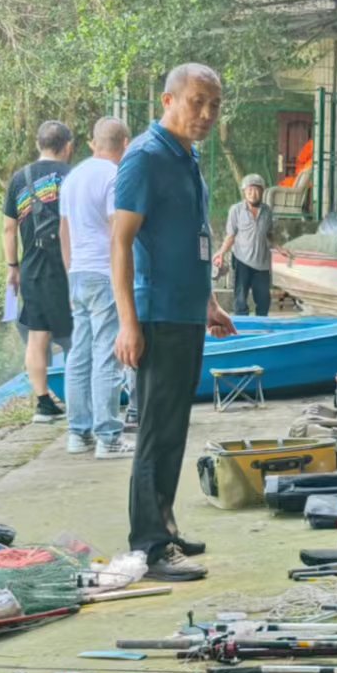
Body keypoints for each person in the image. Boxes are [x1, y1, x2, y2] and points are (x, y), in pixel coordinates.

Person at [111, 63, 236, 584]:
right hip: (155, 314)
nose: (205, 114)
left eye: (214, 105)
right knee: (156, 432)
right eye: (195, 102)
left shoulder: (187, 158)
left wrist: (207, 301)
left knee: (175, 429)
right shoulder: (144, 157)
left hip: (186, 311)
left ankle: (166, 523)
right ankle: (150, 544)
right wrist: (127, 323)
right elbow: (119, 242)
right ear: (168, 100)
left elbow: (190, 240)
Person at [59, 116, 132, 458]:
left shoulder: (73, 177)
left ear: (93, 143)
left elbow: (64, 230)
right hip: (105, 274)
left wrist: (70, 269)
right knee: (107, 354)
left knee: (78, 354)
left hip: (77, 274)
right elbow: (119, 231)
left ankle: (78, 434)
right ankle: (108, 438)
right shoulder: (114, 176)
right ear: (126, 144)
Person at [5, 121, 75, 423]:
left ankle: (43, 403)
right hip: (68, 268)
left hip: (33, 268)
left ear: (38, 144)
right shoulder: (73, 177)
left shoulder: (20, 178)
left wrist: (12, 267)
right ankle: (80, 402)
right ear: (68, 146)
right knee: (75, 338)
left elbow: (9, 228)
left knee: (38, 336)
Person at [215, 172, 274, 317]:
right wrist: (221, 252)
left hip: (263, 263)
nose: (253, 194)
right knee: (240, 299)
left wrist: (280, 248)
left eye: (256, 190)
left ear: (262, 192)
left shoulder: (267, 211)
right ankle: (242, 329)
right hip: (242, 260)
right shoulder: (236, 210)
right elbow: (231, 235)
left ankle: (261, 329)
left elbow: (269, 234)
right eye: (249, 190)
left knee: (264, 300)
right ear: (244, 192)